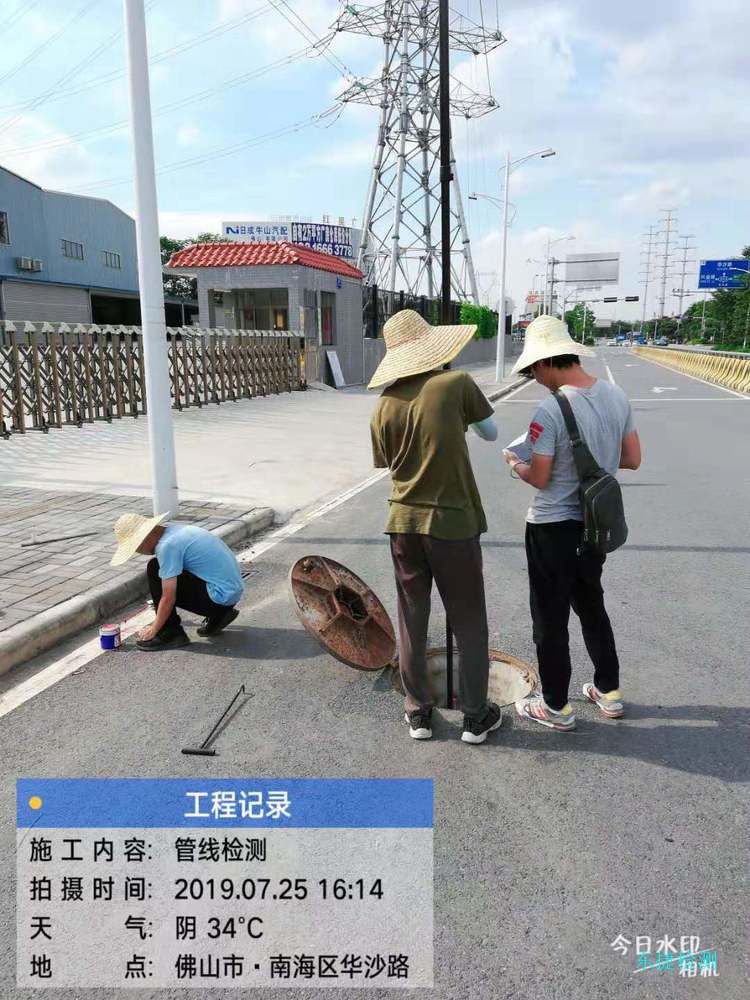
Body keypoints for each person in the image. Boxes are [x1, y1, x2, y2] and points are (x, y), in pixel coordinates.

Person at [369, 309, 502, 745]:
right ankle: (476, 716)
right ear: (432, 347)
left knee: (411, 618)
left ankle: (418, 714)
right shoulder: (456, 384)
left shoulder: (384, 405)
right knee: (468, 619)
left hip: (402, 523)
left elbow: (388, 464)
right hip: (452, 524)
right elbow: (491, 432)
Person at [503, 315, 641, 731]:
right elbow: (632, 459)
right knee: (591, 605)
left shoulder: (550, 408)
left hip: (552, 529)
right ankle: (608, 691)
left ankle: (556, 707)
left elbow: (540, 477)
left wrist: (515, 463)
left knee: (550, 618)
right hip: (594, 526)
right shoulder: (616, 396)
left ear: (546, 362)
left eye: (532, 370)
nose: (533, 377)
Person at [110, 512, 244, 650]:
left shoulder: (167, 546)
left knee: (154, 568)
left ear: (145, 537)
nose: (138, 552)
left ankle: (171, 633)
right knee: (166, 568)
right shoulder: (175, 531)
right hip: (230, 594)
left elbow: (168, 597)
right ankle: (220, 616)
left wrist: (155, 628)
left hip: (219, 599)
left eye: (136, 548)